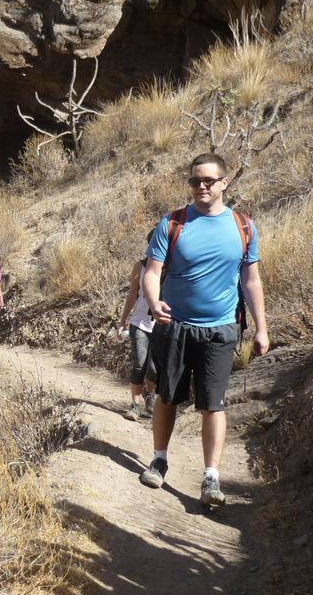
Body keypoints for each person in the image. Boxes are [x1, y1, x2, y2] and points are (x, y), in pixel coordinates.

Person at [138, 153, 268, 507]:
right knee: (168, 395)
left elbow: (251, 280)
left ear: (225, 182)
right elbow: (151, 271)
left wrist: (261, 328)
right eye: (195, 181)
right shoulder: (172, 223)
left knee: (214, 404)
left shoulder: (243, 227)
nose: (201, 187)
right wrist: (153, 301)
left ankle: (211, 477)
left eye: (209, 181)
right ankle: (159, 458)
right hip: (175, 326)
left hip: (221, 329)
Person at [115, 231, 158, 421]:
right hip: (139, 322)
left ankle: (149, 397)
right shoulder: (139, 267)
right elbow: (132, 295)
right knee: (140, 364)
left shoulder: (172, 269)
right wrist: (122, 321)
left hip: (161, 325)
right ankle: (135, 405)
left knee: (154, 369)